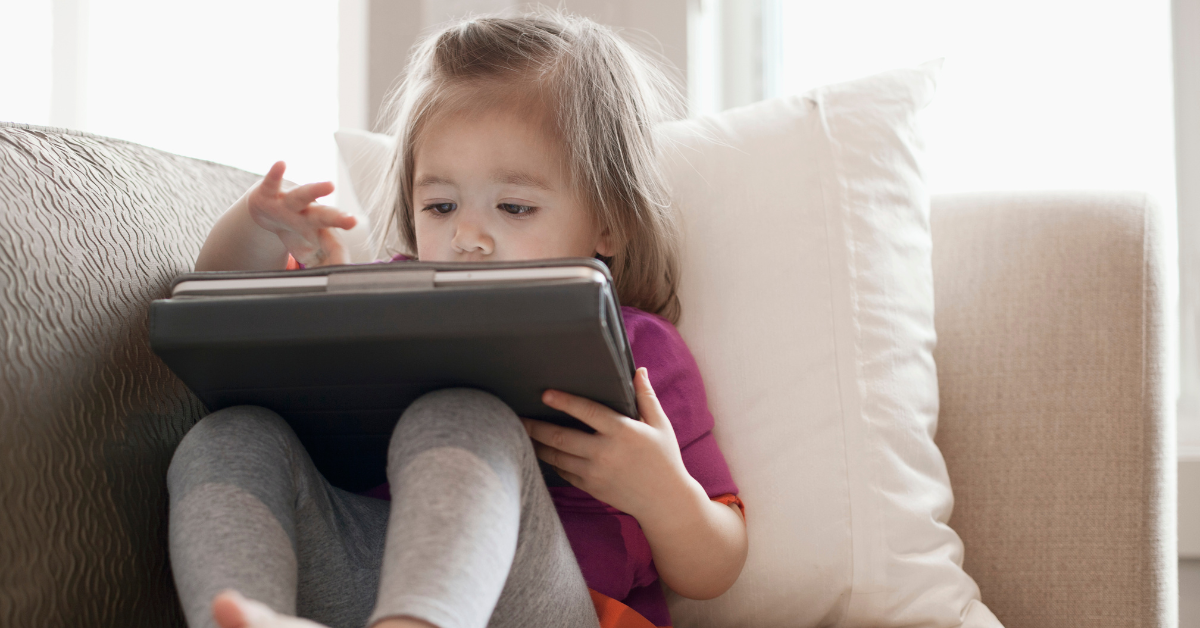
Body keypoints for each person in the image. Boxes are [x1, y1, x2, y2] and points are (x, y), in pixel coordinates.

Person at [170, 10, 747, 628]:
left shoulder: (642, 347)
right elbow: (215, 296)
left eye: (515, 206)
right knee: (231, 434)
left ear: (609, 221)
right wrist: (258, 228)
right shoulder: (379, 295)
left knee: (464, 414)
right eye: (440, 205)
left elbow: (715, 570)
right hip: (368, 578)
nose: (468, 236)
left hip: (552, 602)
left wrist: (663, 496)